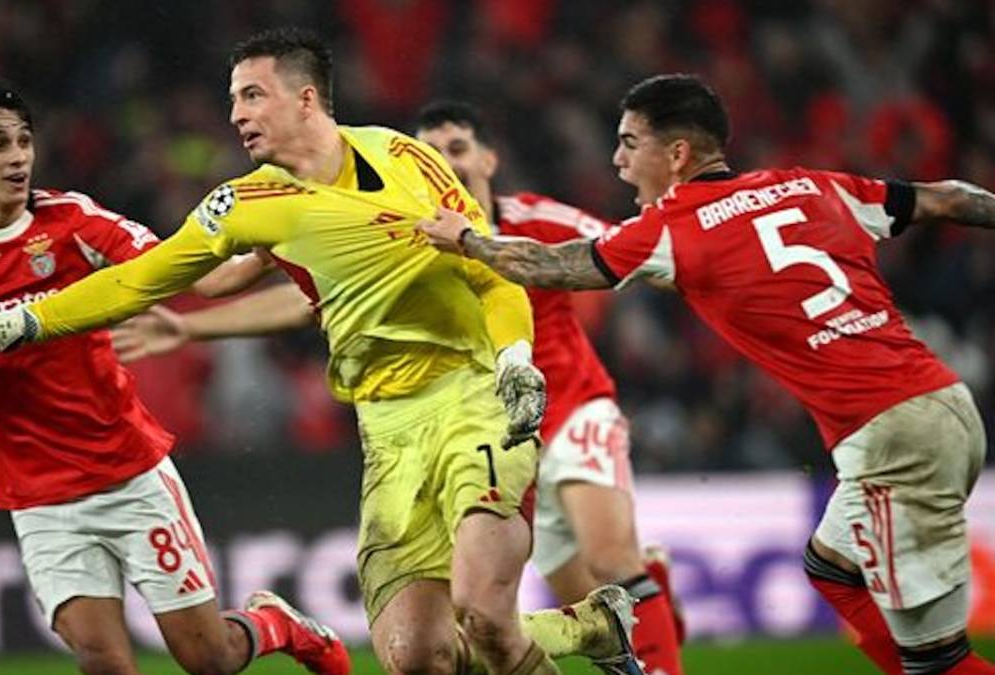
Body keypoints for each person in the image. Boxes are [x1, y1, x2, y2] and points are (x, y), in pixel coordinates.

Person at [0, 30, 643, 675]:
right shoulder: (248, 204)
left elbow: (490, 272)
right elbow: (136, 281)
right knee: (416, 655)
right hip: (386, 428)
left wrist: (514, 358)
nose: (236, 113)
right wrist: (13, 325)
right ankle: (583, 628)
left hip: (474, 398)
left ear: (305, 98)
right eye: (233, 98)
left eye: (252, 95)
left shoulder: (409, 158)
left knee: (481, 608)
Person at [418, 73, 995, 675]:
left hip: (893, 439)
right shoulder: (810, 184)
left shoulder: (674, 227)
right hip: (938, 399)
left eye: (629, 143)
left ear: (676, 154)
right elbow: (949, 198)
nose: (616, 161)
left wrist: (467, 241)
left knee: (941, 661)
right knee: (831, 569)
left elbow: (550, 265)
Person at [110, 100, 686, 675]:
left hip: (567, 408)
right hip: (442, 425)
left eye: (457, 149)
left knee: (607, 559)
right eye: (433, 152)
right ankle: (592, 625)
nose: (445, 163)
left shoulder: (535, 219)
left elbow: (628, 251)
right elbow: (306, 298)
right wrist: (187, 322)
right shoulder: (401, 225)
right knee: (454, 641)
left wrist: (698, 265)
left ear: (489, 158)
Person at [0, 75, 349, 675]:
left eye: (24, 142)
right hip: (37, 493)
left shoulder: (74, 221)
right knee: (103, 662)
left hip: (126, 472)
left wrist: (274, 242)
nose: (18, 158)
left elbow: (199, 278)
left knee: (207, 658)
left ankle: (276, 623)